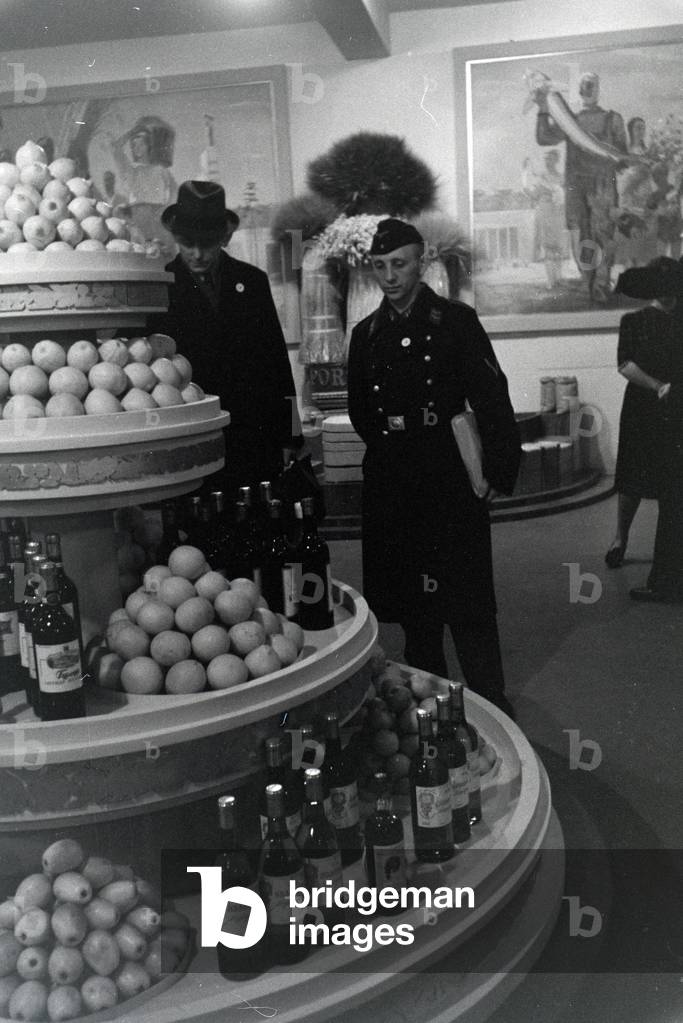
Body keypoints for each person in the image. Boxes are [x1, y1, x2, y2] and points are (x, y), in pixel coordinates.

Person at [347, 218, 520, 718]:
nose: (389, 276)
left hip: (447, 473)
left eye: (398, 264)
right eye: (380, 266)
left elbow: (491, 394)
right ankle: (432, 703)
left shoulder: (455, 321)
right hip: (394, 478)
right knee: (414, 600)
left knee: (466, 598)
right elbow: (361, 408)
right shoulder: (367, 333)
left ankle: (493, 700)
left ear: (420, 263)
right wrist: (387, 450)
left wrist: (498, 469)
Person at [148, 180, 302, 496]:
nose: (198, 254)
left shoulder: (252, 282)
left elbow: (277, 363)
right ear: (176, 238)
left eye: (207, 243)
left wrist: (291, 435)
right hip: (192, 436)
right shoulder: (159, 288)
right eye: (188, 243)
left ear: (225, 237)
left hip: (254, 435)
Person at [613, 258, 683, 602]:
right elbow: (624, 363)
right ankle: (620, 538)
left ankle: (666, 576)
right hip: (644, 407)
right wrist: (657, 385)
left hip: (675, 411)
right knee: (634, 476)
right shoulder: (634, 321)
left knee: (671, 490)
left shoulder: (680, 319)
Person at [535, 72, 627, 303]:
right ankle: (588, 283)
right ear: (579, 90)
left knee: (603, 235)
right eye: (583, 85)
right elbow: (544, 138)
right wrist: (543, 108)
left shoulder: (612, 119)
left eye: (591, 85)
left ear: (598, 89)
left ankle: (602, 284)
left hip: (603, 186)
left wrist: (604, 156)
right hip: (576, 188)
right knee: (581, 236)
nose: (587, 88)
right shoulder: (570, 120)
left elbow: (622, 157)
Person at [522, 149, 566, 289]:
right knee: (548, 247)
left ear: (556, 160)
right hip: (545, 213)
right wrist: (524, 175)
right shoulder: (541, 178)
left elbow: (565, 196)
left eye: (551, 159)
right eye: (546, 159)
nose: (548, 161)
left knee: (558, 247)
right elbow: (532, 195)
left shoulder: (561, 177)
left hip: (558, 213)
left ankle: (559, 278)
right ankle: (550, 280)